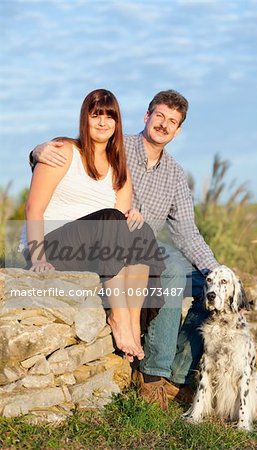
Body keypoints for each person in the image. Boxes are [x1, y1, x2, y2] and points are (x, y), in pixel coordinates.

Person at [30, 89, 220, 410]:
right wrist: (36, 151)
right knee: (170, 266)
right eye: (159, 116)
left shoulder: (174, 174)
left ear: (178, 130)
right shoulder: (120, 148)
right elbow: (63, 167)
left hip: (136, 243)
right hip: (96, 240)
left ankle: (176, 377)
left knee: (208, 288)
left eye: (172, 121)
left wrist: (217, 272)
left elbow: (187, 232)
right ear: (146, 117)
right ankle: (151, 376)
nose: (163, 124)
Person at [24, 88, 166, 363]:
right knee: (111, 219)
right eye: (96, 115)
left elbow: (123, 229)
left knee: (140, 230)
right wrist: (38, 257)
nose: (103, 123)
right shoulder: (63, 151)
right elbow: (34, 208)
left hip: (95, 250)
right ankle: (118, 315)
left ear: (117, 123)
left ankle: (133, 325)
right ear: (85, 119)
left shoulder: (119, 169)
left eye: (109, 117)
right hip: (56, 244)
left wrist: (133, 217)